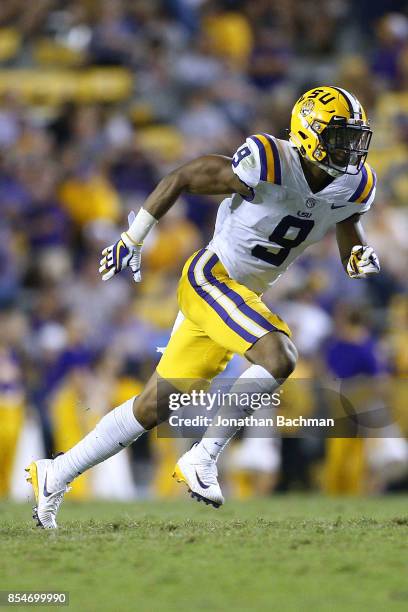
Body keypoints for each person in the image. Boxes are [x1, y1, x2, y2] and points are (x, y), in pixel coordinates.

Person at [26, 86, 381, 528]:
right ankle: (203, 458)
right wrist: (133, 237)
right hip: (212, 278)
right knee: (279, 355)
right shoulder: (270, 160)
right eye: (339, 137)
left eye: (354, 137)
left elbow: (347, 223)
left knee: (151, 409)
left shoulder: (355, 183)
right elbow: (184, 176)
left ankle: (54, 473)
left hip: (238, 297)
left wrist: (356, 255)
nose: (350, 149)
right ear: (308, 134)